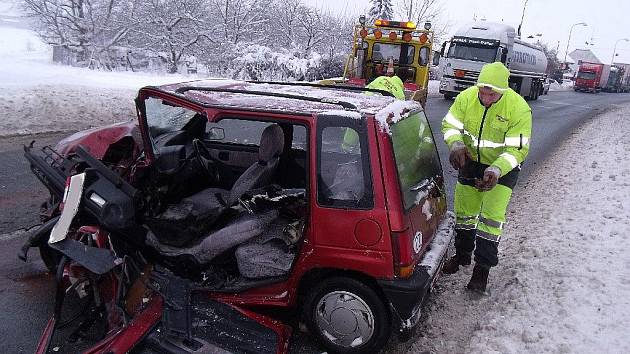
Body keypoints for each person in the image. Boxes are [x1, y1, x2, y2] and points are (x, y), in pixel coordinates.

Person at [440, 62, 532, 292]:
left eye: (492, 94)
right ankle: (461, 257)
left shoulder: (518, 109)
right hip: (470, 162)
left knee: (490, 221)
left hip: (503, 169)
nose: (486, 97)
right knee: (465, 214)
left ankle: (482, 270)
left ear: (503, 91)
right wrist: (456, 145)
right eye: (482, 91)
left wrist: (496, 171)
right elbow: (450, 125)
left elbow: (517, 150)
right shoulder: (466, 98)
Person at [342, 67, 413, 152]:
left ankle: (346, 148)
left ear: (395, 74)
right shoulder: (400, 95)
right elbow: (395, 117)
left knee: (356, 125)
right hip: (377, 118)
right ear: (406, 81)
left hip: (363, 107)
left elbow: (365, 91)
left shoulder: (381, 78)